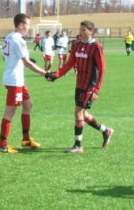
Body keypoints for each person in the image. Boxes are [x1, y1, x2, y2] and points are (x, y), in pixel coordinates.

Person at [45, 20, 114, 153]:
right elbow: (70, 64)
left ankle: (78, 145)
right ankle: (106, 131)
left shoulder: (96, 47)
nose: (80, 32)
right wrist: (56, 75)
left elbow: (102, 69)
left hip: (90, 85)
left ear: (91, 32)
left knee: (78, 112)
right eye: (80, 29)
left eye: (84, 30)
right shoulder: (76, 45)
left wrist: (96, 89)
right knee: (84, 114)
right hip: (79, 84)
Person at [0, 13, 46, 153]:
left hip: (16, 80)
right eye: (28, 25)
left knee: (28, 105)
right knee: (10, 112)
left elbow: (7, 57)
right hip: (14, 81)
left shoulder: (9, 37)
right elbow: (27, 63)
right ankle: (2, 144)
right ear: (21, 25)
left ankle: (26, 139)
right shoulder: (18, 40)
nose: (29, 28)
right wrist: (45, 73)